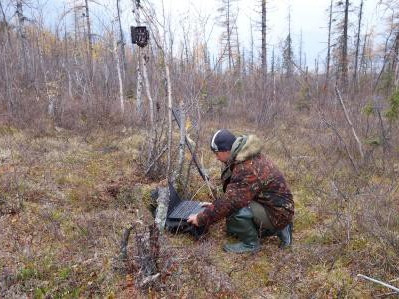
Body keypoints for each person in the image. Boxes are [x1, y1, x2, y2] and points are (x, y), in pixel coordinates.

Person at [187, 129, 294, 253]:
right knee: (232, 226)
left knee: (235, 212)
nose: (216, 158)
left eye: (216, 153)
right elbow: (237, 192)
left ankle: (251, 244)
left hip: (278, 212)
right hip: (279, 206)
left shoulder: (246, 167)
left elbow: (231, 202)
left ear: (226, 151)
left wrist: (201, 218)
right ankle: (282, 227)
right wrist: (214, 206)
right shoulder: (247, 155)